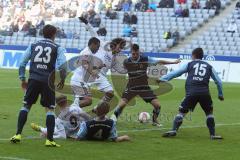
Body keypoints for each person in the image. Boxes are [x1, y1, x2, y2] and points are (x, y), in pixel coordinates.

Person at [10, 24, 67, 147]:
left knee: (26, 106)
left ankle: (18, 134)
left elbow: (22, 63)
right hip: (48, 81)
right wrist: (62, 79)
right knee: (50, 109)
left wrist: (22, 78)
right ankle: (50, 140)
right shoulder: (58, 47)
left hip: (33, 79)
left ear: (43, 33)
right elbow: (63, 66)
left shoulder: (33, 45)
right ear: (53, 35)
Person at [159, 48, 224, 140]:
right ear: (202, 56)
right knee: (209, 113)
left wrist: (163, 79)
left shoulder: (190, 64)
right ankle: (212, 135)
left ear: (193, 55)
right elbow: (219, 82)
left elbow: (176, 73)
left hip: (191, 93)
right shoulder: (209, 66)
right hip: (205, 93)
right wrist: (220, 94)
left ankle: (174, 130)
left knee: (181, 112)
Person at [112, 44, 181, 126]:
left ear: (139, 52)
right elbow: (122, 70)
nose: (135, 55)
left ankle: (155, 121)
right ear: (131, 53)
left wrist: (173, 62)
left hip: (144, 87)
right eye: (133, 54)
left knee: (157, 105)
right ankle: (113, 119)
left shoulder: (145, 59)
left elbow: (159, 61)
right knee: (122, 105)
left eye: (137, 53)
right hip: (131, 87)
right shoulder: (126, 62)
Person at [71, 17, 127, 111]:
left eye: (122, 48)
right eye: (120, 47)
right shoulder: (103, 45)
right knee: (86, 99)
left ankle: (96, 109)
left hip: (100, 76)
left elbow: (119, 69)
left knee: (110, 92)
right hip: (90, 73)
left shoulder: (116, 58)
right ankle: (73, 108)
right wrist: (87, 23)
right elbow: (93, 33)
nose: (120, 49)